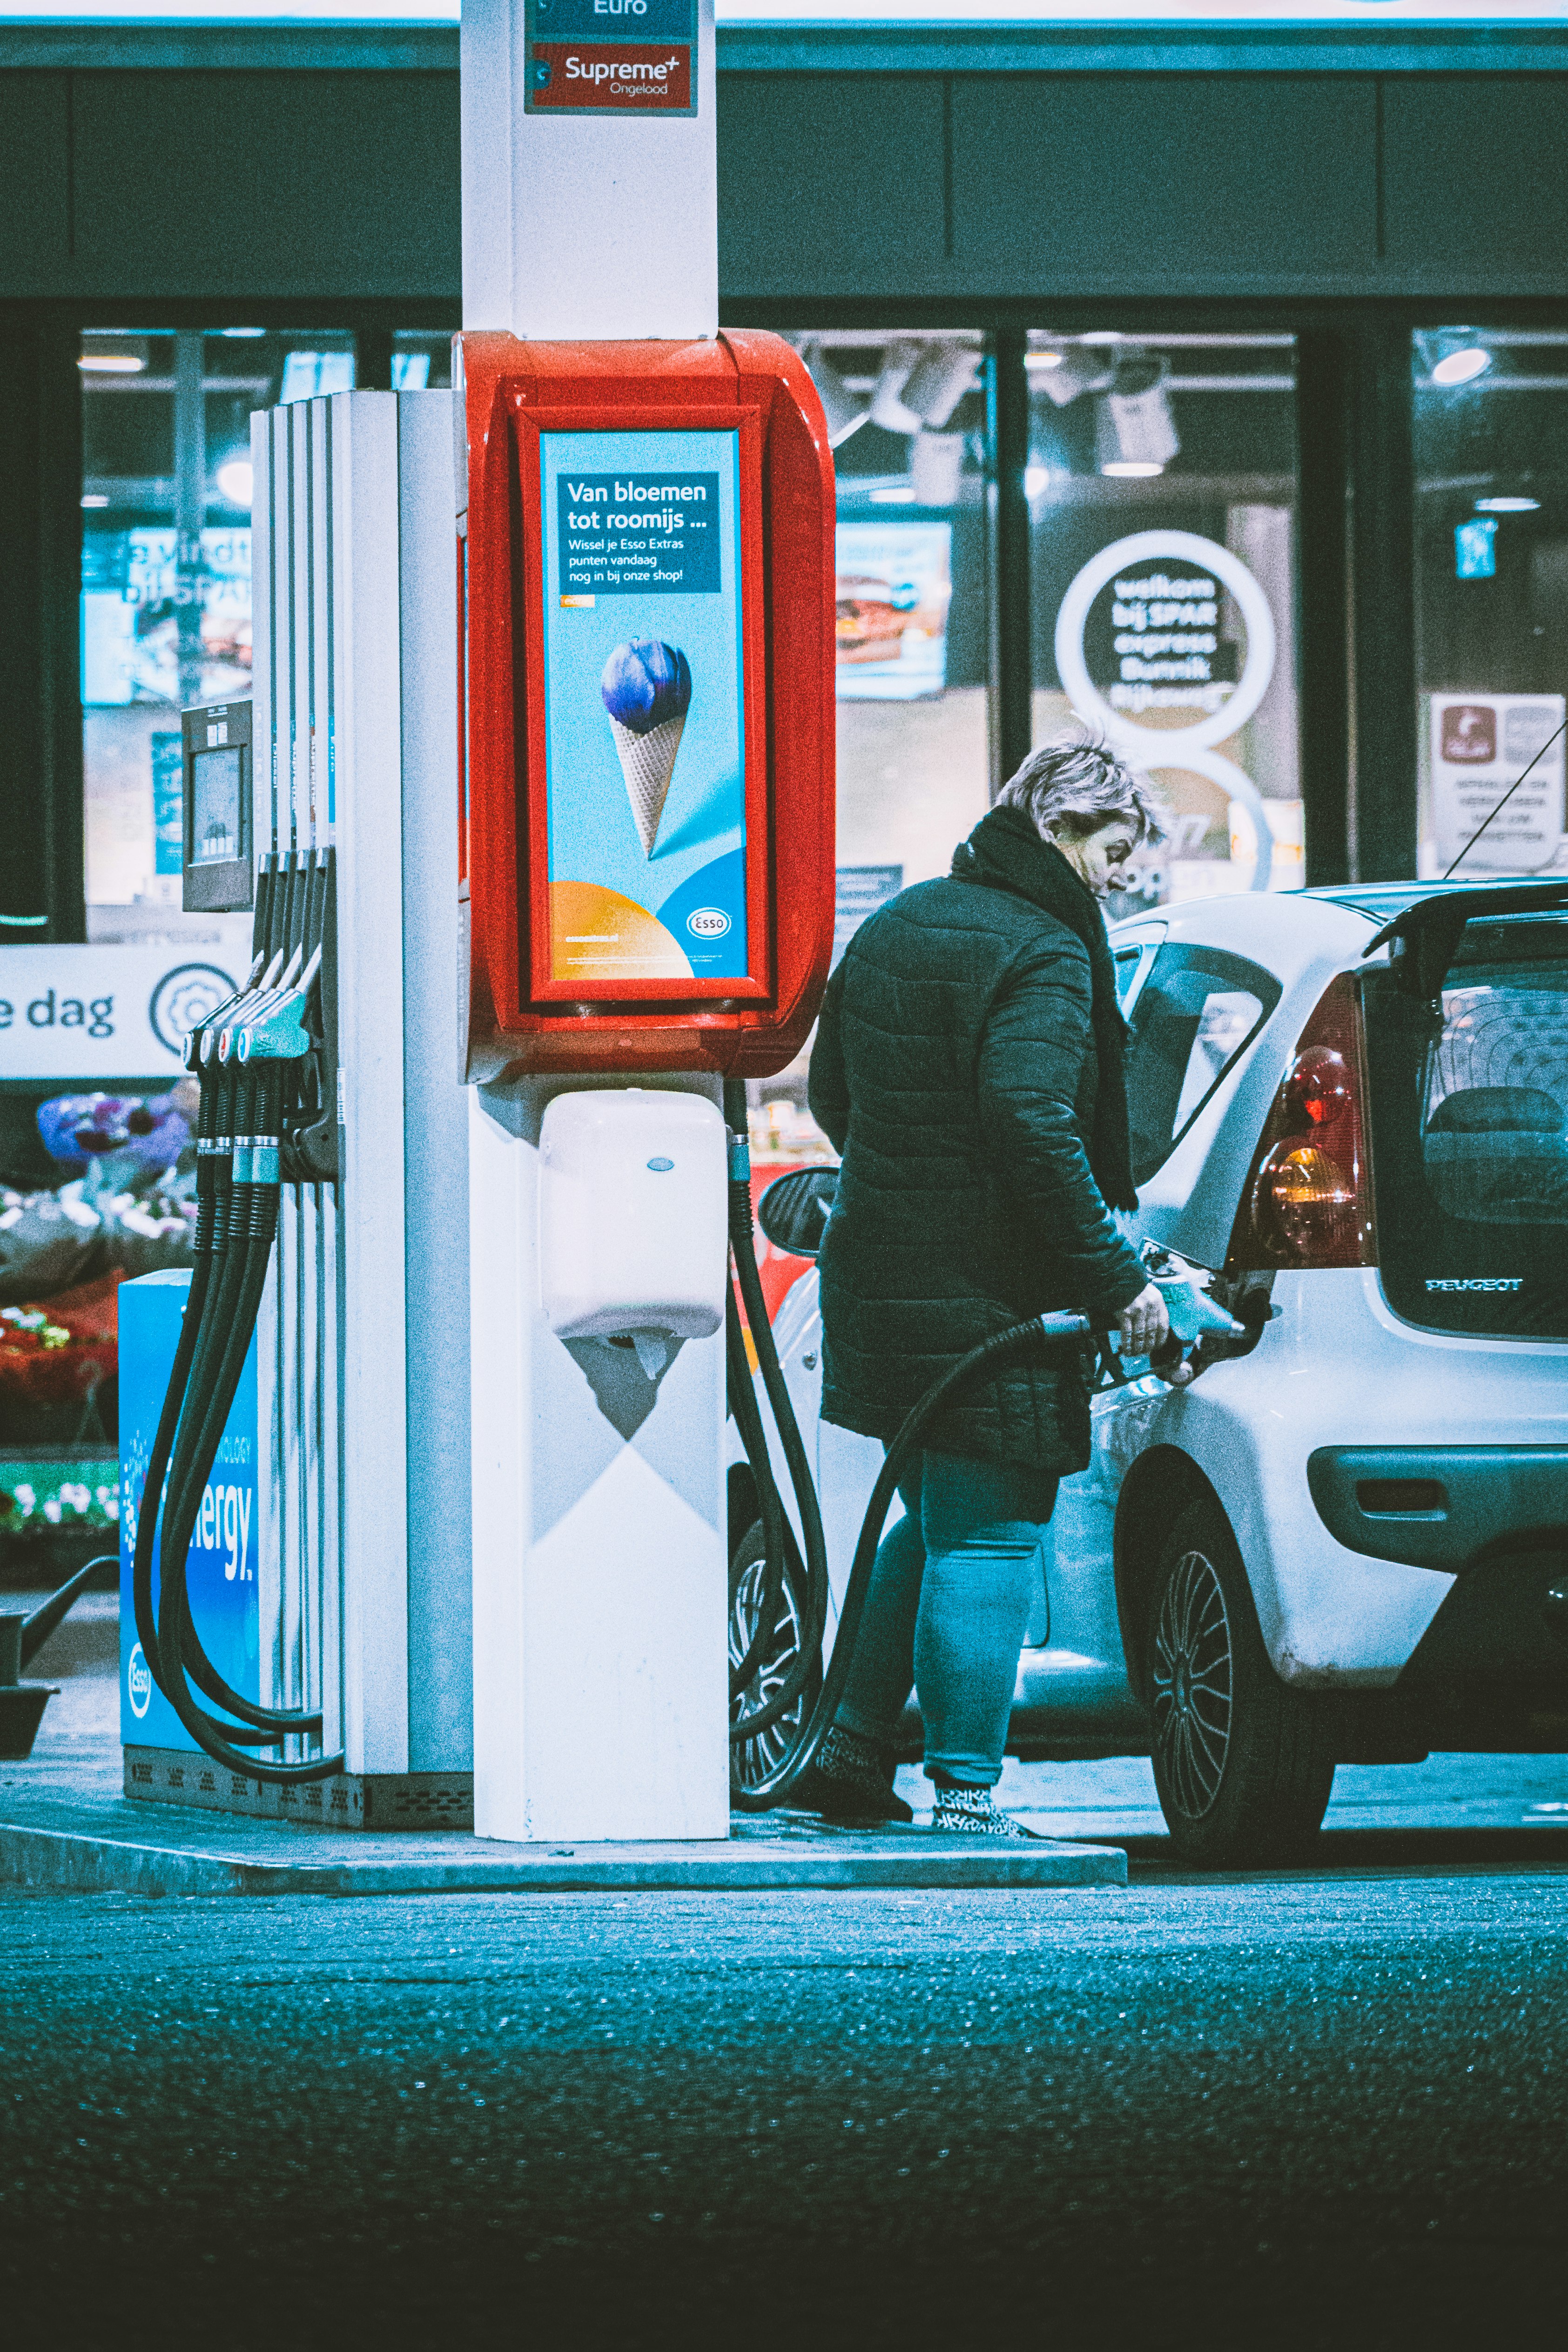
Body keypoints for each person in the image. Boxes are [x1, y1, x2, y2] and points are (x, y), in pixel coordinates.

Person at [799, 736, 1174, 1837]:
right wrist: (1113, 1283)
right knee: (992, 1531)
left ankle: (849, 1752)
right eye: (1110, 850)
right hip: (987, 1301)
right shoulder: (1046, 949)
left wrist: (908, 1187)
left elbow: (832, 1095)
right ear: (1057, 827)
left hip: (879, 1280)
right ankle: (967, 1796)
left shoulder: (901, 921)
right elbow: (1031, 1123)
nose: (1117, 876)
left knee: (929, 1517)